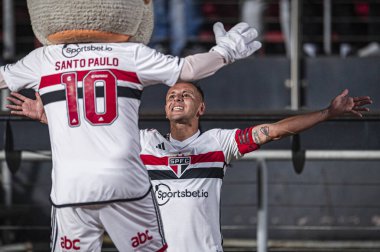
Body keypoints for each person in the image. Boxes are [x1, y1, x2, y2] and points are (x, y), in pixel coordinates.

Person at [6, 82, 372, 251]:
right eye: (170, 96)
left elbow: (276, 130)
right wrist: (46, 117)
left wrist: (328, 113)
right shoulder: (144, 141)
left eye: (186, 96)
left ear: (201, 109)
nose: (176, 99)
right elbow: (91, 133)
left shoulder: (219, 144)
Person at [0, 20, 261, 251]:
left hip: (71, 186)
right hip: (124, 181)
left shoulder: (44, 58)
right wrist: (224, 53)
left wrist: (54, 114)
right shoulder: (129, 53)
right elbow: (189, 70)